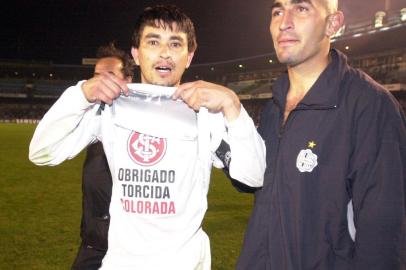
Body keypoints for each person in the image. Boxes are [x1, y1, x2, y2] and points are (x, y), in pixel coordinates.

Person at [29, 4, 266, 270]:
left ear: (189, 57)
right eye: (153, 42)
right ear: (136, 54)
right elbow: (42, 152)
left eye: (176, 44)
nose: (165, 53)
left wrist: (233, 104)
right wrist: (81, 93)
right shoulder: (111, 105)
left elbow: (253, 176)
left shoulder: (204, 112)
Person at [236, 0, 406, 269]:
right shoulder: (273, 107)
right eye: (277, 11)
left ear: (333, 24)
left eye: (301, 8)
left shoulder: (371, 106)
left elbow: (384, 239)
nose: (284, 22)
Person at [71, 43, 133, 270]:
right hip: (92, 243)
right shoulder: (90, 115)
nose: (100, 82)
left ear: (127, 78)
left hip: (128, 246)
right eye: (96, 76)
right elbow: (41, 153)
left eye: (109, 75)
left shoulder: (143, 119)